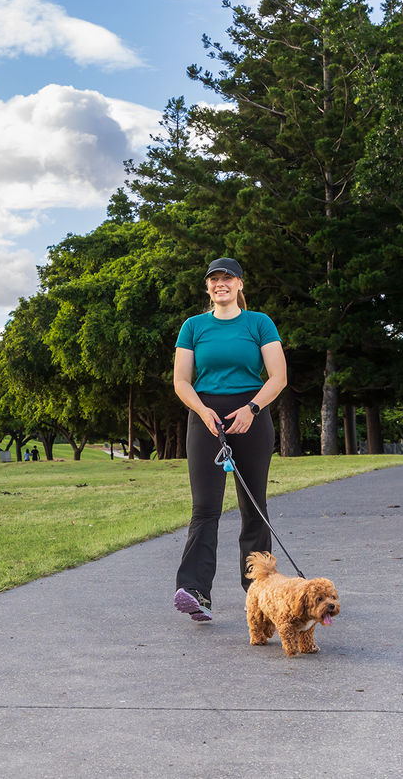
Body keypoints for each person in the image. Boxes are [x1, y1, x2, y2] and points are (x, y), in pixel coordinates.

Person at [171, 257, 287, 622]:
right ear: (208, 287)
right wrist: (203, 411)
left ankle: (260, 596)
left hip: (250, 415)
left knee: (254, 508)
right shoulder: (193, 326)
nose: (220, 284)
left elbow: (278, 376)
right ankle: (195, 592)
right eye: (214, 279)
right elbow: (181, 381)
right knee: (205, 508)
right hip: (205, 418)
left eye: (228, 278)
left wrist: (251, 409)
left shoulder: (259, 323)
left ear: (239, 284)